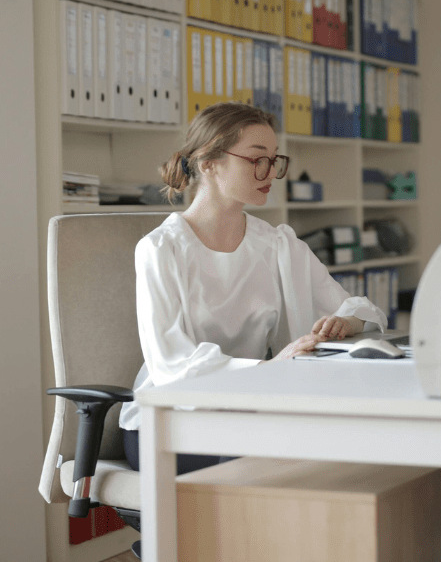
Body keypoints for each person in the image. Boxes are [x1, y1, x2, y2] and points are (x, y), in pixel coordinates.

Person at [119, 102, 387, 474]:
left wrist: (347, 323)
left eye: (275, 160)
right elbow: (170, 367)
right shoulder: (161, 249)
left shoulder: (279, 244)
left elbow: (363, 310)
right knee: (289, 460)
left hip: (253, 409)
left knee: (347, 442)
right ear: (208, 162)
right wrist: (268, 368)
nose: (270, 173)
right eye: (256, 159)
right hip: (170, 422)